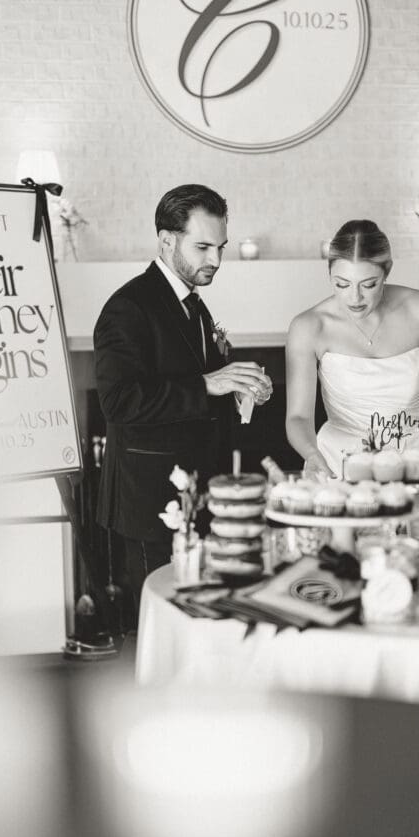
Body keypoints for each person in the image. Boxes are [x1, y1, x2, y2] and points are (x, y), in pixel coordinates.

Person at [94, 183, 272, 613]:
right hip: (149, 501)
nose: (216, 260)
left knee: (195, 617)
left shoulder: (194, 304)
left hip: (197, 495)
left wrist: (240, 392)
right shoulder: (128, 307)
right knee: (161, 620)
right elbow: (119, 401)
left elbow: (199, 384)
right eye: (203, 247)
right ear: (166, 241)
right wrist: (208, 384)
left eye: (221, 247)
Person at [285, 219, 419, 479]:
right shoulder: (308, 326)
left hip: (417, 460)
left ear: (387, 270)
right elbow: (298, 417)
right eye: (342, 284)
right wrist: (312, 455)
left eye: (368, 284)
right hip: (338, 463)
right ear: (329, 273)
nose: (354, 297)